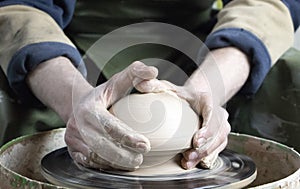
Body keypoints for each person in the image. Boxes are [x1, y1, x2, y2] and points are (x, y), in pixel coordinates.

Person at [0, 0, 299, 171]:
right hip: (65, 51)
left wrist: (209, 89)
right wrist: (75, 100)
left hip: (205, 51)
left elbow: (266, 4)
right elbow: (20, 9)